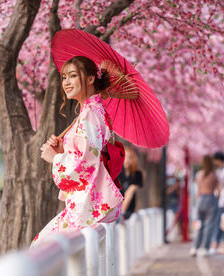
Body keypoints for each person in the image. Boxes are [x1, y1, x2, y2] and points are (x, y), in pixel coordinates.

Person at [32, 56, 124, 247]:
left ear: (90, 79)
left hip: (89, 205)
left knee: (42, 249)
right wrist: (62, 149)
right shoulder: (90, 112)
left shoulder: (90, 114)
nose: (66, 82)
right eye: (64, 77)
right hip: (90, 203)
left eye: (73, 76)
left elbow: (86, 163)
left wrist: (56, 158)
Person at [190, 155, 219, 257]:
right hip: (210, 199)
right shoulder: (214, 175)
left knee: (199, 225)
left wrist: (198, 201)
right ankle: (205, 248)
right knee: (209, 226)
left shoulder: (199, 175)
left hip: (200, 200)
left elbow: (197, 191)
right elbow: (218, 190)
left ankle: (195, 247)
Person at [118, 146, 143, 221]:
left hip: (128, 210)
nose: (127, 160)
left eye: (129, 157)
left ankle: (121, 214)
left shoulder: (137, 174)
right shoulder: (118, 173)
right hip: (115, 208)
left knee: (131, 190)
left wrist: (121, 212)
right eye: (124, 157)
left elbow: (131, 191)